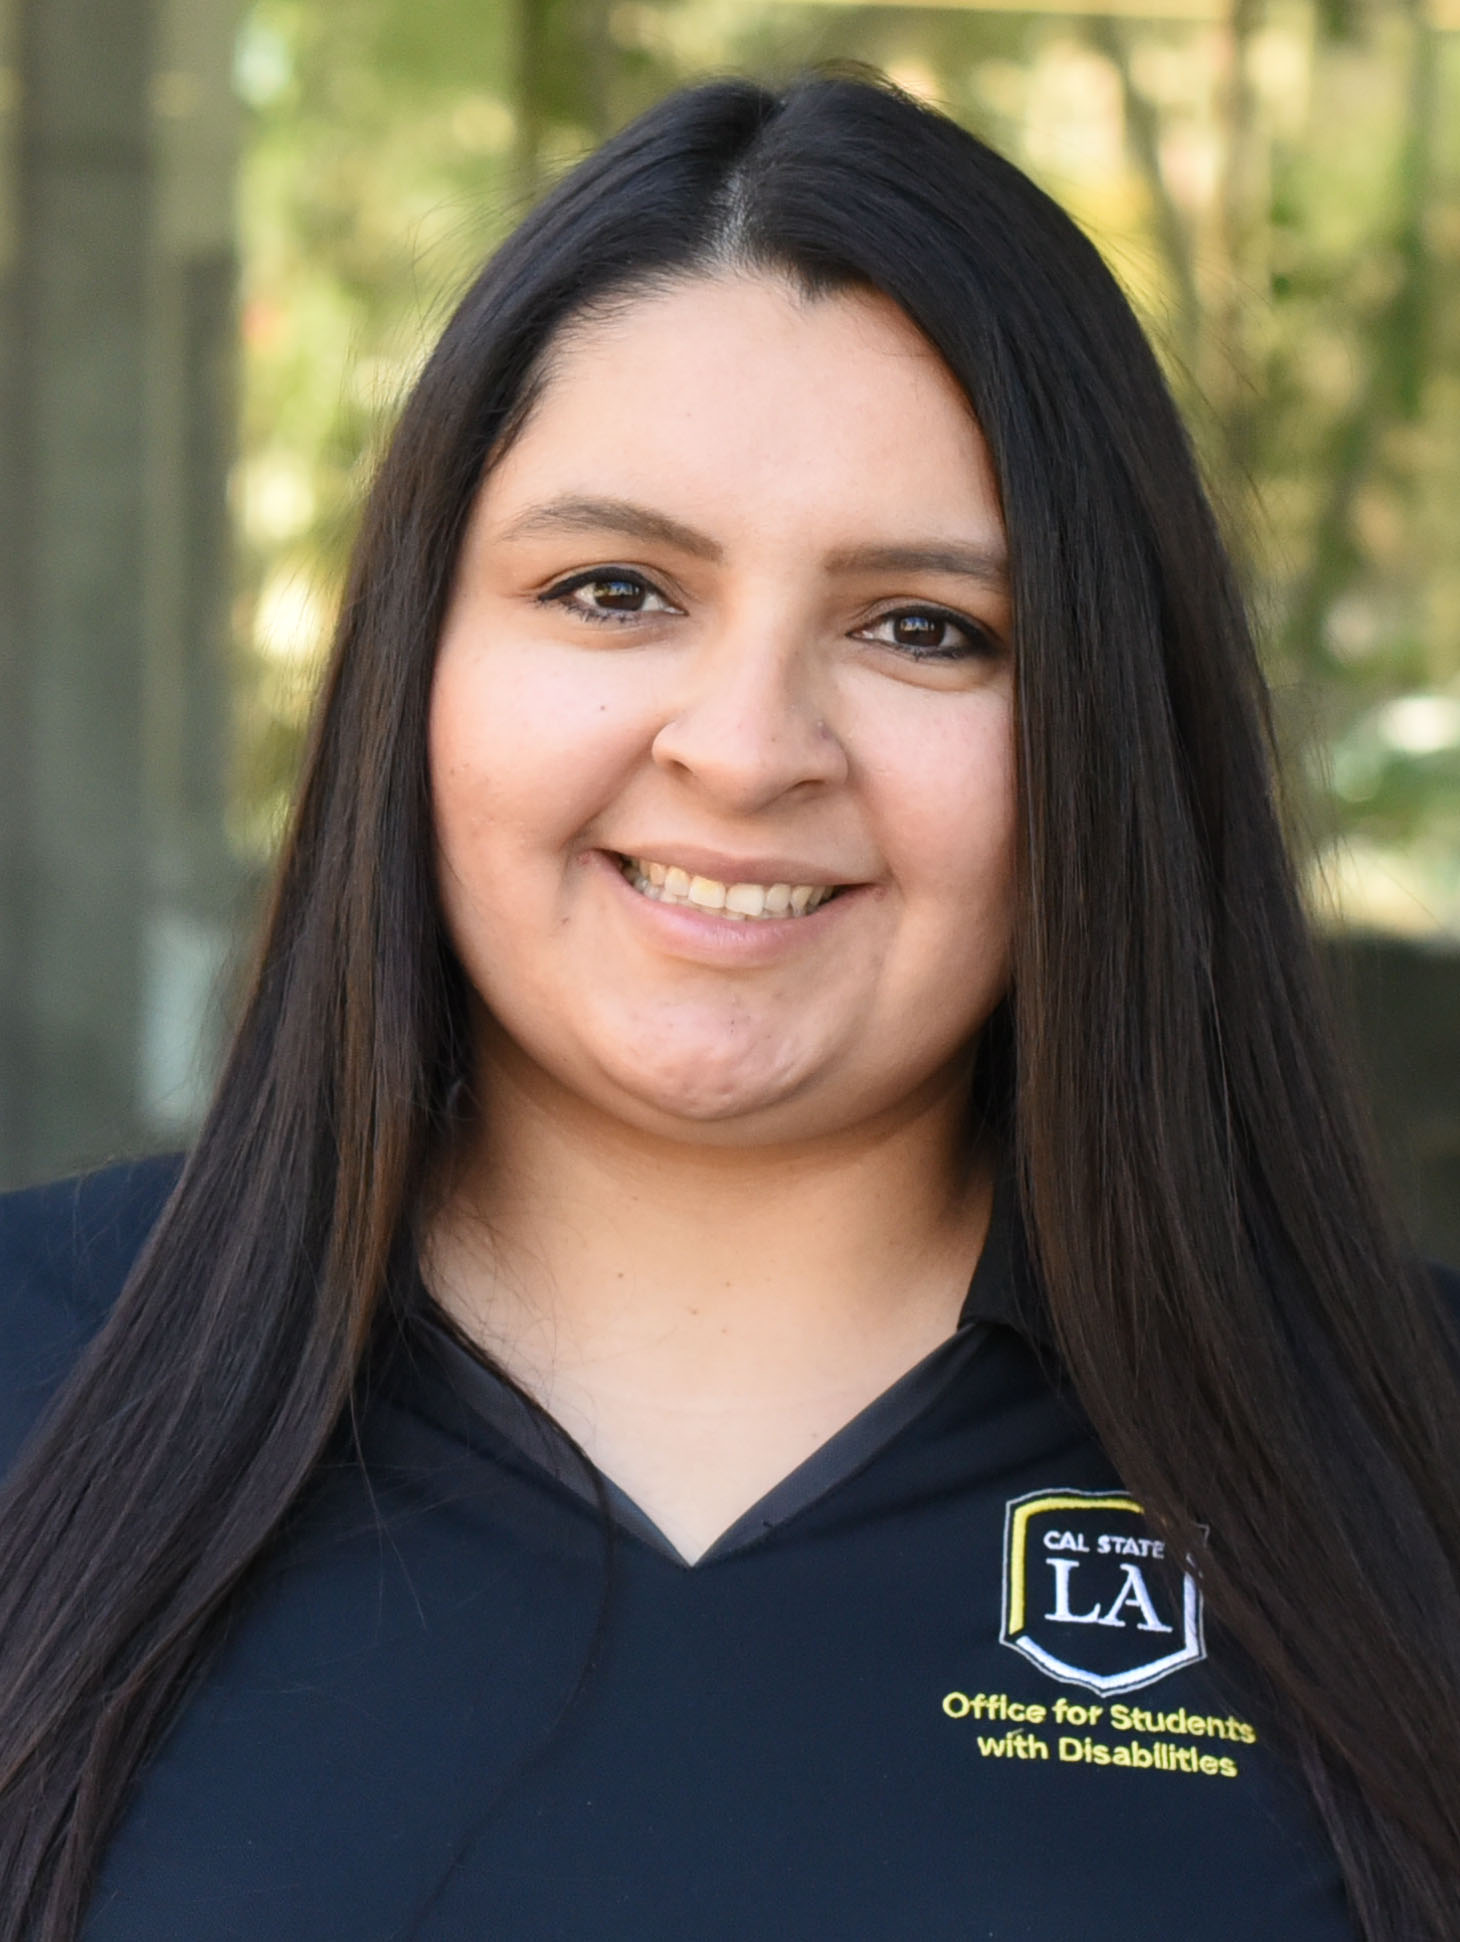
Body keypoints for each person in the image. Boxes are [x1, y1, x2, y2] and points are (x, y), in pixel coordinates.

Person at [1, 69, 1457, 1942]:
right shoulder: (37, 1376)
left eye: (926, 626)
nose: (749, 747)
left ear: (1108, 737)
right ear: (414, 670)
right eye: (614, 589)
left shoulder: (1410, 1482)